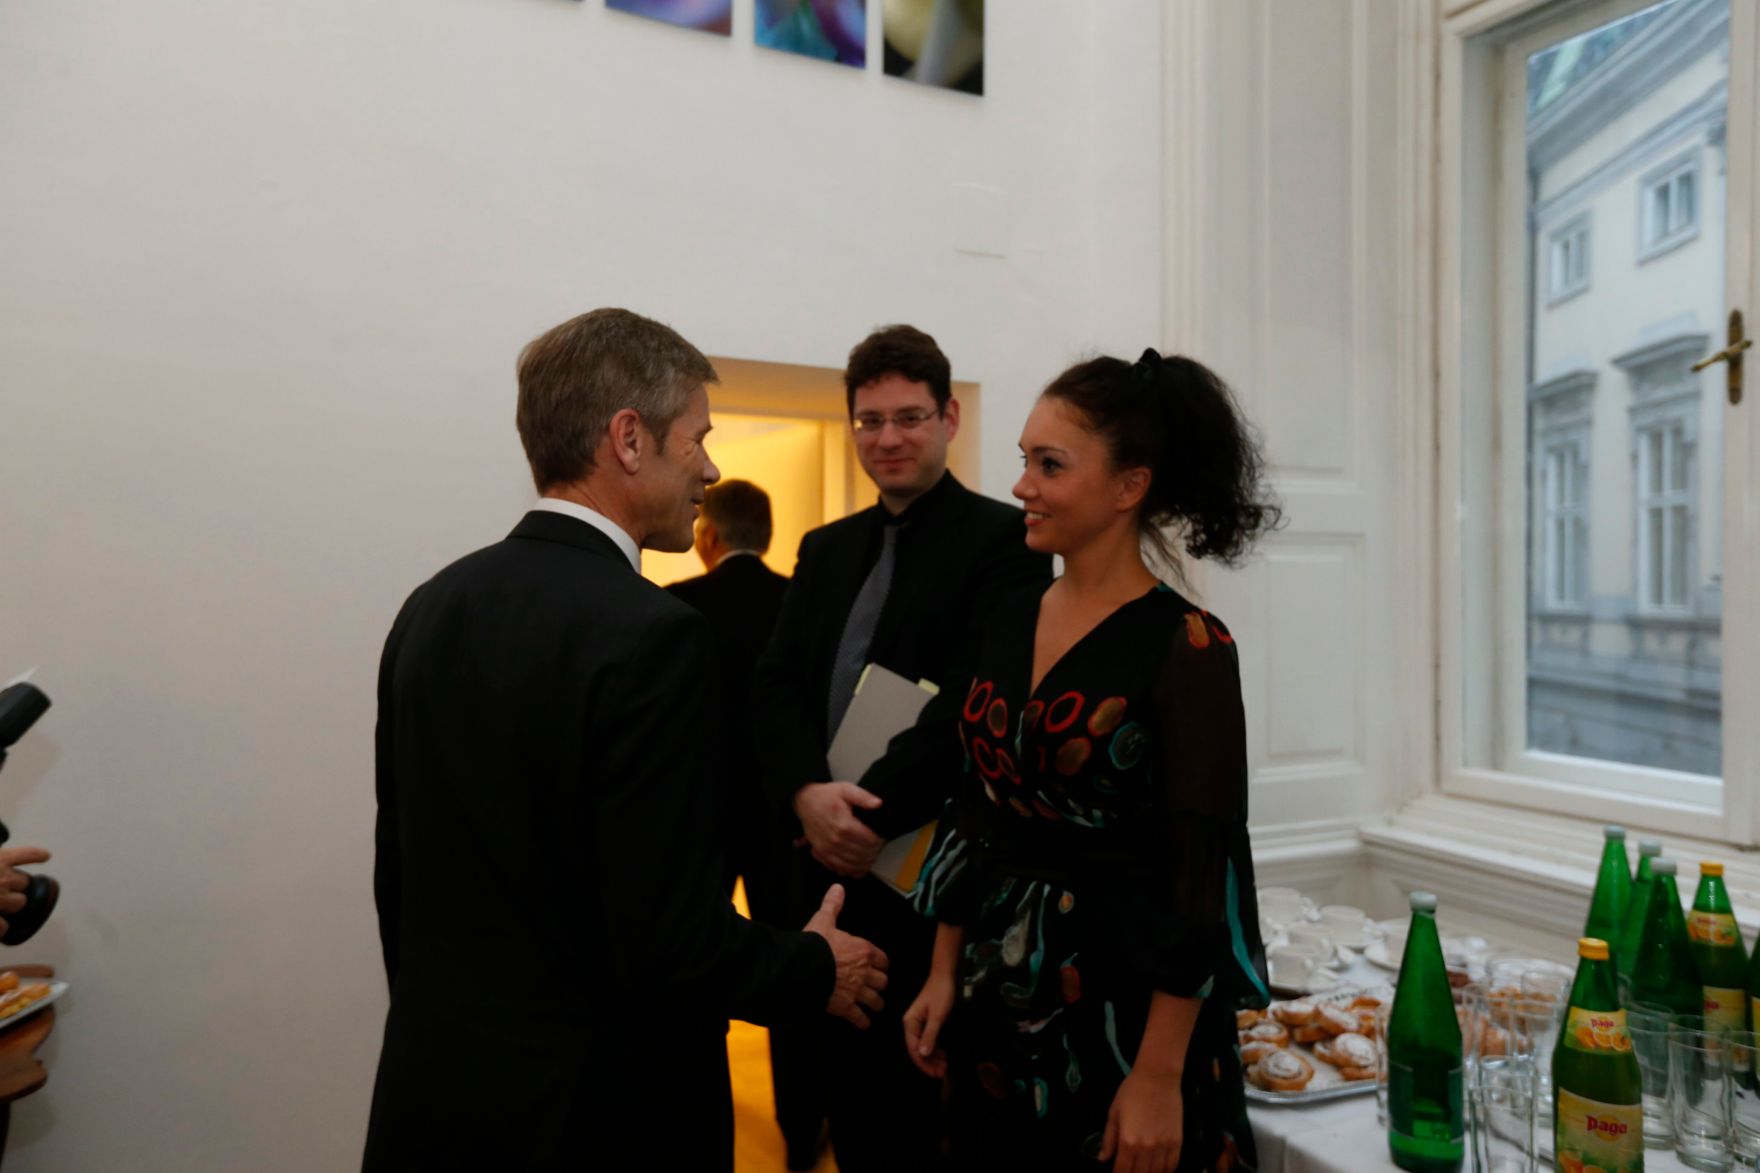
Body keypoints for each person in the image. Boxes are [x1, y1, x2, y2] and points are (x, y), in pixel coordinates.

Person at [364, 309, 888, 1173]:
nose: (712, 468)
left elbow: (403, 878)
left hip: (441, 1102)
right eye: (699, 438)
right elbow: (666, 938)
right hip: (599, 1116)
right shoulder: (652, 633)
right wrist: (810, 966)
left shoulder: (432, 604)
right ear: (630, 439)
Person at [901, 348, 1279, 1173]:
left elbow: (1198, 877)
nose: (1021, 485)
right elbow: (974, 806)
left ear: (1128, 486)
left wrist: (1157, 1076)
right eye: (1023, 461)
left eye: (1049, 464)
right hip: (994, 992)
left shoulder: (1189, 647)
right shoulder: (1008, 616)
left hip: (1124, 1011)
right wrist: (939, 969)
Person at [753, 324, 1053, 1172]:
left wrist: (863, 814)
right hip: (819, 867)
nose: (886, 438)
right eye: (869, 420)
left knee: (920, 1120)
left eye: (909, 417)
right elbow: (774, 685)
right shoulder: (824, 547)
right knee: (839, 1095)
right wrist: (807, 795)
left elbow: (972, 703)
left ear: (950, 416)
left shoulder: (1008, 543)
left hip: (929, 881)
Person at [666, 479, 791, 897]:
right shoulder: (796, 600)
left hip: (704, 804)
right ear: (767, 535)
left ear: (710, 536)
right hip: (780, 805)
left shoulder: (677, 605)